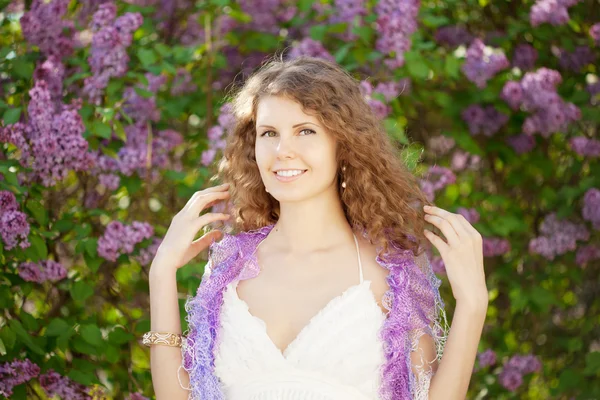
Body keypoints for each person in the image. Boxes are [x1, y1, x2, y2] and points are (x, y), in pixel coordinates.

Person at [146, 55, 488, 400]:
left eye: (305, 131)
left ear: (343, 145)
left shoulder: (390, 270)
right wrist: (162, 272)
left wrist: (472, 304)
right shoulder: (228, 268)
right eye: (269, 133)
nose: (282, 151)